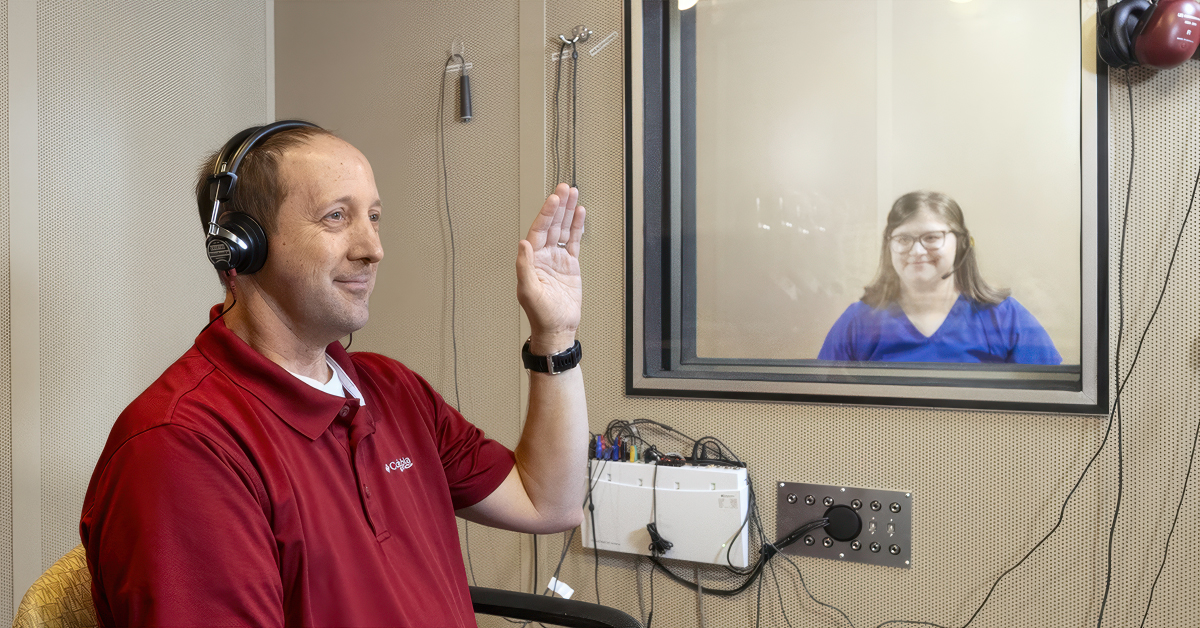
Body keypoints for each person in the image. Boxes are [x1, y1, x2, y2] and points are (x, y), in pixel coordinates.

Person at [79, 121, 590, 626]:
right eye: (336, 217)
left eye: (373, 216)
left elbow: (548, 502)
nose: (372, 248)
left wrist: (555, 334)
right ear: (242, 246)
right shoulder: (182, 447)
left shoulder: (392, 390)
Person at [818, 191, 1061, 364]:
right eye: (903, 239)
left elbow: (1052, 407)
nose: (916, 251)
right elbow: (821, 408)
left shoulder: (1005, 318)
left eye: (932, 238)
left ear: (962, 244)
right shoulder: (858, 322)